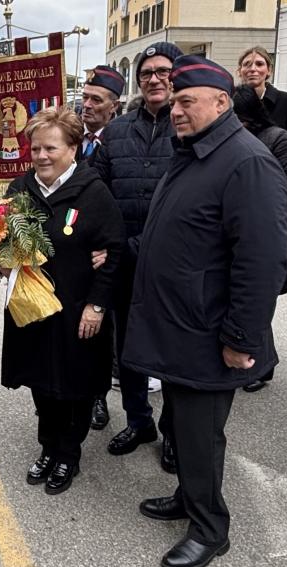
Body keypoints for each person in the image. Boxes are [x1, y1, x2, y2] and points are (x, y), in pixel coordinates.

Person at [124, 56, 287, 567]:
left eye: (186, 100)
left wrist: (241, 337)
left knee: (200, 431)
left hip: (210, 331)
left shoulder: (247, 161)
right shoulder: (196, 152)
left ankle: (210, 529)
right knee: (185, 427)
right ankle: (189, 495)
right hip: (181, 326)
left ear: (221, 102)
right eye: (174, 101)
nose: (175, 110)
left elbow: (263, 261)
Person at [0, 107, 124, 495]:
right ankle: (48, 447)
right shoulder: (20, 190)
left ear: (73, 148)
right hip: (33, 310)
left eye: (50, 148)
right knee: (41, 382)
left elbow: (114, 252)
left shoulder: (94, 192)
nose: (41, 156)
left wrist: (97, 305)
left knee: (76, 385)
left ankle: (69, 453)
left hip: (76, 310)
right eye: (35, 148)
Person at [92, 42, 182, 470]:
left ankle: (173, 433)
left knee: (170, 353)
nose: (154, 79)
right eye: (146, 73)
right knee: (129, 348)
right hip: (125, 260)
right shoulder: (117, 131)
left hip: (172, 264)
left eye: (162, 71)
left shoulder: (189, 127)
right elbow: (99, 191)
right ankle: (139, 420)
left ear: (176, 75)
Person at [236, 45, 287, 392]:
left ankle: (260, 363)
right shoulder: (233, 121)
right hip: (237, 221)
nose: (253, 68)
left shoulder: (283, 110)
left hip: (270, 216)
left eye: (259, 63)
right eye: (247, 63)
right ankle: (250, 355)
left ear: (268, 69)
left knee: (258, 290)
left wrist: (267, 178)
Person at [78, 65, 125, 164]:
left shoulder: (123, 142)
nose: (86, 105)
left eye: (96, 100)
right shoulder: (68, 133)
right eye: (85, 97)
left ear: (114, 106)